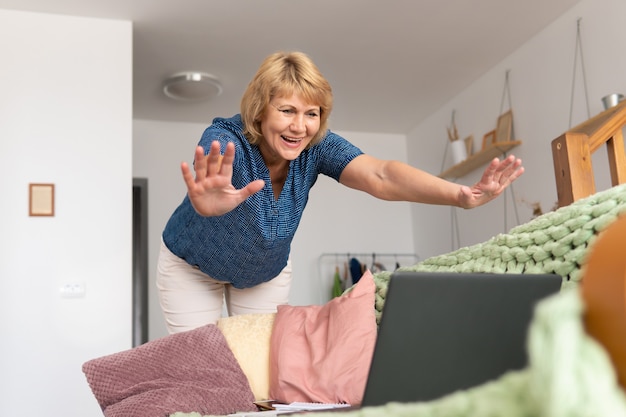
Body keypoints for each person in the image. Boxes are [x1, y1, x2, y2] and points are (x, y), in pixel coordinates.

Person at [157, 51, 524, 334]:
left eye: (311, 113)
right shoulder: (227, 140)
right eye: (286, 110)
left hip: (262, 273)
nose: (299, 126)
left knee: (259, 376)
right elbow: (209, 171)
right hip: (193, 267)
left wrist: (461, 196)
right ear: (259, 111)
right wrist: (204, 206)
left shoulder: (317, 146)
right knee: (199, 370)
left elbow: (381, 174)